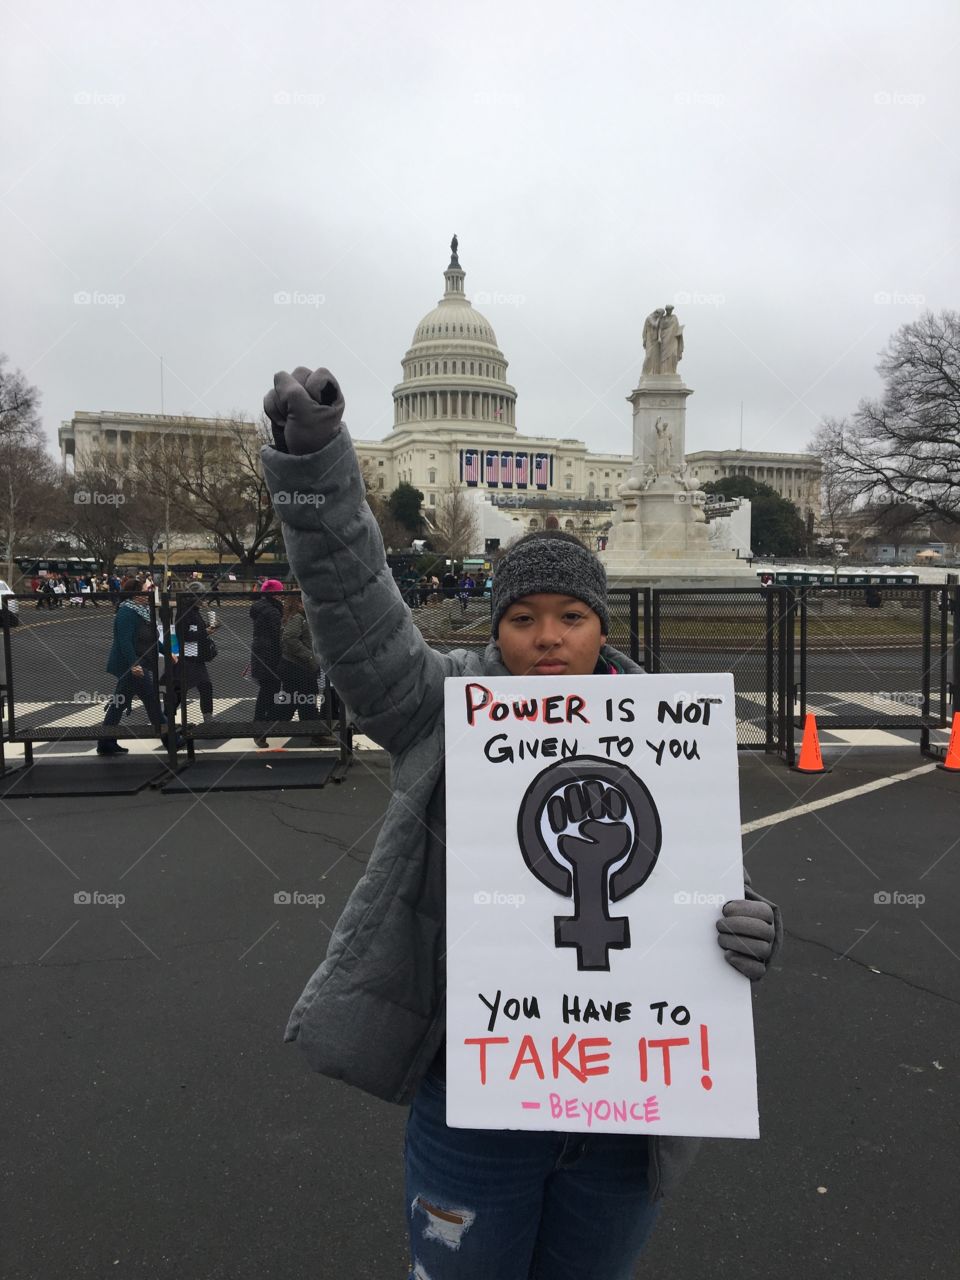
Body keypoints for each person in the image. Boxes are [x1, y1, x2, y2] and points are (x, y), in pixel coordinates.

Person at [262, 366, 783, 1280]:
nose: (549, 637)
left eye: (573, 616)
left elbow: (686, 884)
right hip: (478, 1103)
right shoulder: (444, 708)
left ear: (600, 624)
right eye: (525, 617)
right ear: (495, 630)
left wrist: (745, 926)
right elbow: (358, 617)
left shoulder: (666, 732)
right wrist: (316, 470)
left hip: (626, 1115)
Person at [97, 576, 167, 755]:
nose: (148, 592)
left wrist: (168, 653)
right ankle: (171, 739)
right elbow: (124, 642)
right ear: (136, 595)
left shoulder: (141, 611)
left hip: (138, 664)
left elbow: (150, 640)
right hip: (133, 666)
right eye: (145, 590)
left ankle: (106, 742)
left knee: (118, 704)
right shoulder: (126, 613)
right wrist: (134, 664)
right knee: (151, 700)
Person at [276, 591, 336, 747]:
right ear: (299, 603)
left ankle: (268, 729)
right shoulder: (298, 618)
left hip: (293, 666)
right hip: (298, 667)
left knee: (294, 703)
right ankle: (316, 735)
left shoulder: (295, 617)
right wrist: (310, 656)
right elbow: (289, 638)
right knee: (306, 702)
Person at [172, 582, 219, 733]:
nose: (204, 599)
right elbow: (184, 635)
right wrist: (206, 632)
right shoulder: (185, 612)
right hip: (188, 656)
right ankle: (166, 718)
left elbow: (194, 629)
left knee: (204, 686)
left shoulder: (193, 610)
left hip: (195, 656)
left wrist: (207, 628)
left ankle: (208, 719)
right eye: (201, 596)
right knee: (181, 690)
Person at [250, 578, 284, 748]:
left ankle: (261, 726)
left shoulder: (259, 609)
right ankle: (261, 727)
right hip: (271, 656)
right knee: (270, 691)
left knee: (267, 690)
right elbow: (278, 635)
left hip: (259, 653)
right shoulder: (273, 612)